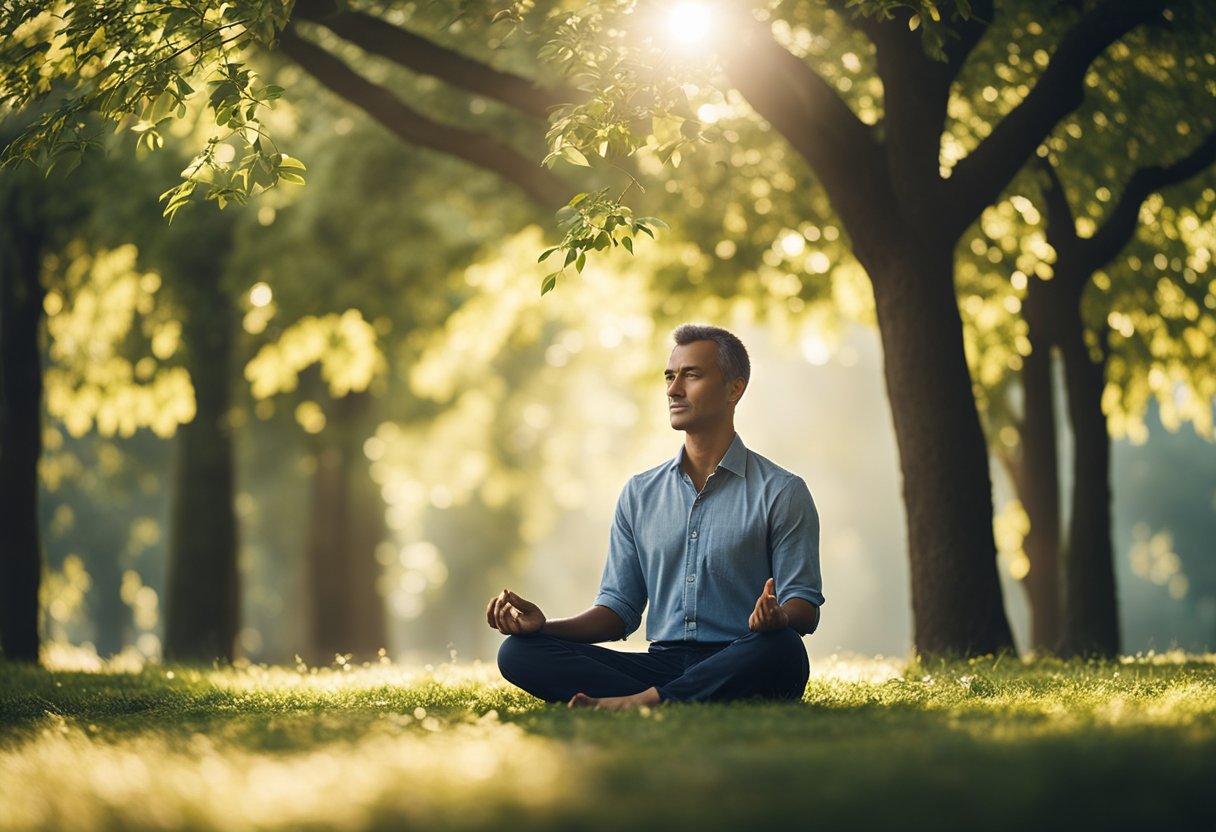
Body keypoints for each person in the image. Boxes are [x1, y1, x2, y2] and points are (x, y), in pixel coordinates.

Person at [486, 324, 824, 710]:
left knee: (783, 649)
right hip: (661, 665)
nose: (673, 389)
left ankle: (639, 703)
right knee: (518, 652)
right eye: (670, 376)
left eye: (691, 375)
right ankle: (661, 698)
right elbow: (617, 612)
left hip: (743, 656)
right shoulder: (639, 493)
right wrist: (543, 628)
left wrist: (778, 618)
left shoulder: (782, 491)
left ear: (735, 388)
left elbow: (805, 607)